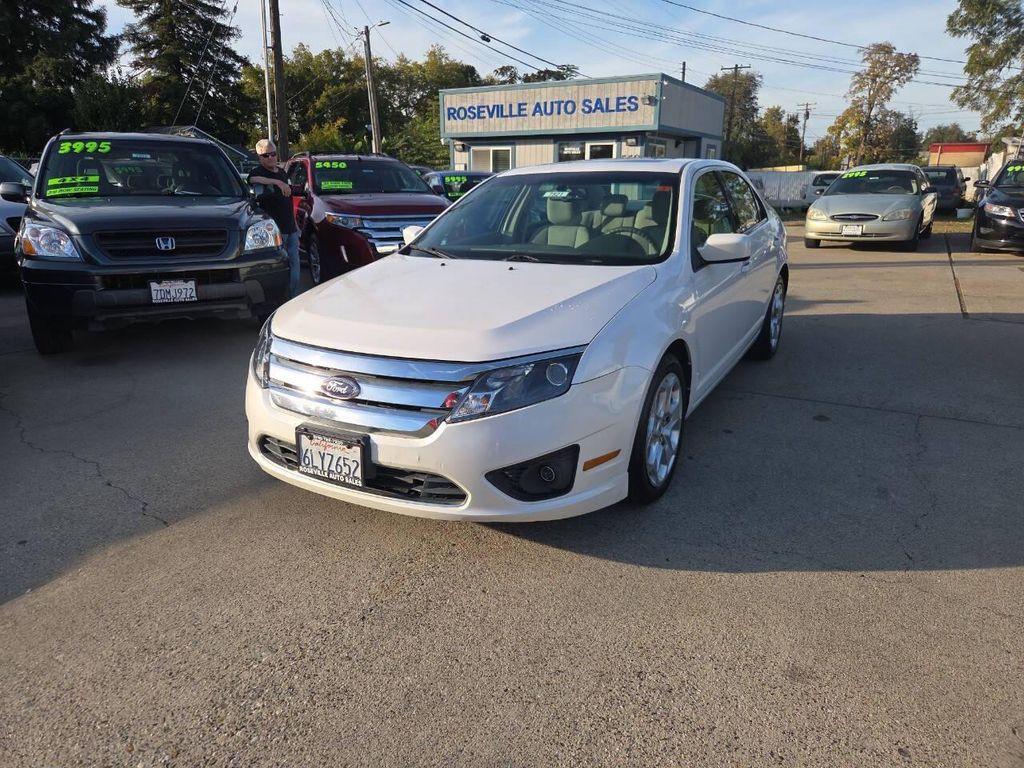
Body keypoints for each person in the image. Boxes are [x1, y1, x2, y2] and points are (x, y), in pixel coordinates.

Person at [247, 139, 300, 297]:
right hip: (275, 232)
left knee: (295, 268)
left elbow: (288, 202)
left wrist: (295, 224)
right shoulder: (258, 173)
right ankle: (281, 300)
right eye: (266, 155)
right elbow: (251, 180)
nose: (271, 158)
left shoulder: (283, 172)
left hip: (291, 229)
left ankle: (293, 298)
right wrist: (276, 182)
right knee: (279, 269)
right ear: (259, 157)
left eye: (273, 154)